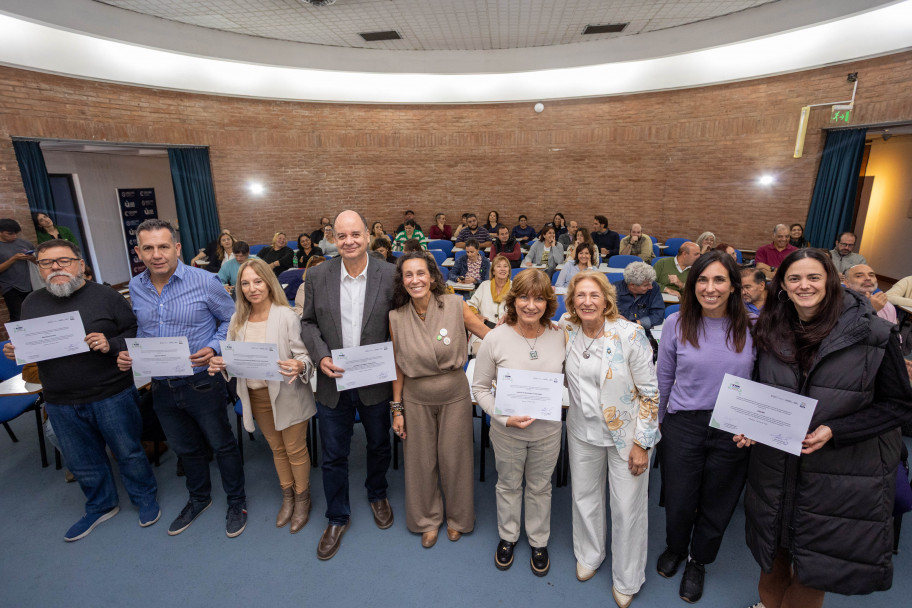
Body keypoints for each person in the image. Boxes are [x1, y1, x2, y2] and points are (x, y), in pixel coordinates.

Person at [739, 248, 912, 608]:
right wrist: (750, 423)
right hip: (774, 472)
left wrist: (836, 430)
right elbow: (760, 390)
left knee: (812, 572)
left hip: (837, 477)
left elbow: (899, 405)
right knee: (771, 563)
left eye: (813, 277)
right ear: (783, 286)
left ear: (832, 281)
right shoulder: (769, 329)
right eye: (794, 278)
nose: (804, 285)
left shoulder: (875, 333)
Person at [3, 239, 159, 541]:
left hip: (111, 393)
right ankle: (101, 505)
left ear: (80, 264)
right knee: (82, 460)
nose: (55, 267)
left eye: (63, 260)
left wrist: (111, 343)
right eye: (46, 263)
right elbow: (31, 345)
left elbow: (135, 332)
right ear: (39, 268)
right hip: (59, 399)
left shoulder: (106, 296)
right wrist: (16, 350)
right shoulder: (31, 302)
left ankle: (145, 497)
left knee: (128, 452)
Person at [116, 219, 246, 538]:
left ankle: (236, 501)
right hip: (161, 385)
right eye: (148, 248)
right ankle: (199, 498)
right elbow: (143, 330)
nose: (156, 254)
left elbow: (231, 320)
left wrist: (213, 347)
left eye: (163, 246)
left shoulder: (205, 281)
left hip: (201, 381)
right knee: (185, 448)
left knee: (222, 444)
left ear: (176, 248)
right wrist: (130, 353)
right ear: (138, 252)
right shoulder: (136, 287)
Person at [655, 250, 754, 603]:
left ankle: (699, 560)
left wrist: (756, 425)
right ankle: (676, 547)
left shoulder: (753, 326)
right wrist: (659, 424)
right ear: (692, 284)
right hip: (684, 423)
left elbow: (764, 381)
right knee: (679, 497)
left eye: (719, 280)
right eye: (702, 280)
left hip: (733, 427)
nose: (710, 288)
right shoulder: (676, 323)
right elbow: (664, 378)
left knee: (718, 501)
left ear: (733, 286)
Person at [300, 210, 397, 560]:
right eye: (342, 235)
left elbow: (401, 323)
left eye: (355, 234)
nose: (349, 241)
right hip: (333, 380)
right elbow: (308, 323)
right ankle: (337, 516)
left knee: (379, 443)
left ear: (367, 235)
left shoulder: (390, 274)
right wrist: (321, 355)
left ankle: (377, 493)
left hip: (374, 380)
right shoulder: (318, 275)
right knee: (333, 453)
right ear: (333, 239)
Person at [560, 271, 659, 608]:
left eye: (594, 295)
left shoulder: (630, 334)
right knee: (584, 497)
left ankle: (627, 578)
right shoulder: (567, 328)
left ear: (606, 300)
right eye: (580, 295)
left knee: (627, 508)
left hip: (627, 437)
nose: (587, 302)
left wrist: (642, 444)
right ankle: (590, 554)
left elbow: (650, 394)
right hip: (582, 431)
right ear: (572, 301)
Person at [389, 251, 489, 548]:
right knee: (420, 462)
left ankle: (458, 518)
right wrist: (397, 409)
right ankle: (427, 520)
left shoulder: (456, 305)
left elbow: (489, 336)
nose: (415, 280)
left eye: (421, 273)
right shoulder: (396, 317)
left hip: (454, 395)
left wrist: (532, 331)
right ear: (402, 281)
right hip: (415, 398)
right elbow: (396, 365)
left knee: (455, 459)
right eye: (408, 275)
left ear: (432, 277)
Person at [208, 258, 315, 534]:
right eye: (245, 283)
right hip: (257, 396)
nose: (252, 288)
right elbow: (233, 358)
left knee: (295, 449)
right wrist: (222, 364)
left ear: (268, 282)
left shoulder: (286, 316)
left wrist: (300, 364)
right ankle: (288, 495)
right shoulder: (237, 319)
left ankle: (302, 498)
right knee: (277, 449)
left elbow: (305, 355)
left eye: (257, 281)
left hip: (289, 393)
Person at [472, 269, 564, 576]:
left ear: (548, 303)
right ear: (513, 300)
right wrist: (502, 417)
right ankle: (508, 536)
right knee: (509, 485)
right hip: (506, 431)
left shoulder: (559, 335)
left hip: (547, 431)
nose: (531, 305)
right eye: (524, 297)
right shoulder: (495, 337)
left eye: (539, 299)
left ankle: (538, 540)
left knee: (540, 487)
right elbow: (480, 389)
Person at [467, 254, 512, 354]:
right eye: (498, 266)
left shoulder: (515, 287)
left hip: (507, 330)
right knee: (479, 352)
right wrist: (477, 316)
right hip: (483, 330)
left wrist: (510, 316)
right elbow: (470, 305)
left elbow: (520, 309)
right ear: (493, 271)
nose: (502, 269)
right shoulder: (484, 285)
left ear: (509, 270)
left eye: (505, 266)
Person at [0, 218, 35, 321]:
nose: (14, 236)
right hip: (10, 287)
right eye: (10, 234)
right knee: (18, 316)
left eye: (16, 233)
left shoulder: (25, 243)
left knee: (34, 313)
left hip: (30, 284)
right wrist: (14, 259)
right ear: (1, 232)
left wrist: (31, 258)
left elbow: (39, 262)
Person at [613, 261, 664, 331]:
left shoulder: (654, 287)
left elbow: (659, 315)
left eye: (651, 283)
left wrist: (635, 323)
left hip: (644, 330)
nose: (650, 287)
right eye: (646, 285)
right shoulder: (612, 291)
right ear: (632, 285)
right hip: (618, 330)